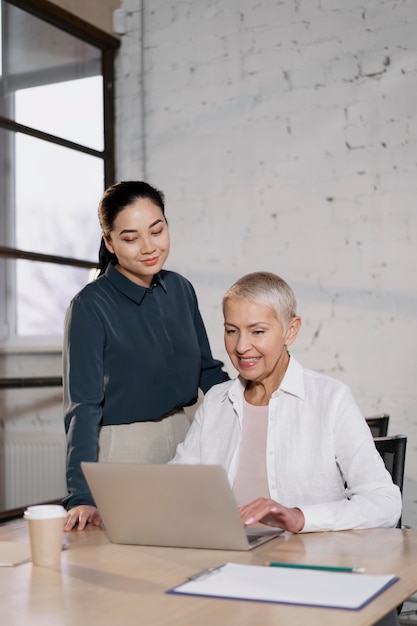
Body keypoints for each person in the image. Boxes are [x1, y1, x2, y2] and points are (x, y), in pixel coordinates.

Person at [171, 271, 402, 533]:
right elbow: (177, 486)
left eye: (257, 331)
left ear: (290, 331)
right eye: (231, 331)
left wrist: (301, 517)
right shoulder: (216, 402)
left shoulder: (331, 399)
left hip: (304, 561)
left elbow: (385, 502)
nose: (241, 346)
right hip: (227, 555)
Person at [63, 181, 229, 531]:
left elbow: (207, 372)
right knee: (133, 567)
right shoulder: (90, 306)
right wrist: (81, 495)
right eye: (130, 237)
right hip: (123, 451)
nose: (149, 247)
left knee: (190, 551)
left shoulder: (181, 289)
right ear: (109, 242)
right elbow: (84, 406)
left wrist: (261, 400)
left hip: (186, 439)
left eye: (157, 230)